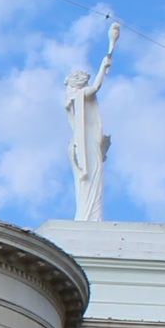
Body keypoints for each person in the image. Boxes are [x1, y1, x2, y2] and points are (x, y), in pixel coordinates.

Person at [63, 21, 119, 222]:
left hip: (86, 143)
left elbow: (93, 89)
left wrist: (105, 64)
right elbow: (95, 87)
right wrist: (103, 67)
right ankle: (88, 216)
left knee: (92, 180)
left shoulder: (74, 99)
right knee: (88, 179)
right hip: (85, 144)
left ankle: (90, 216)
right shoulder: (78, 96)